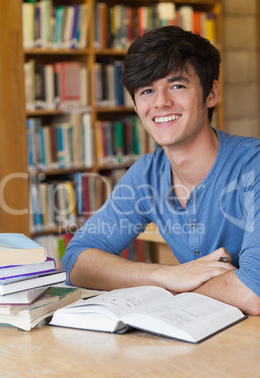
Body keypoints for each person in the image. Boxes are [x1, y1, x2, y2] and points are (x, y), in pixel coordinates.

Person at [62, 25, 260, 315]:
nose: (161, 102)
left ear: (211, 93)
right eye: (147, 90)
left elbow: (252, 292)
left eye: (177, 85)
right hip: (211, 338)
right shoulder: (147, 174)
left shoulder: (252, 166)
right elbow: (76, 262)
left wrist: (173, 290)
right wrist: (165, 275)